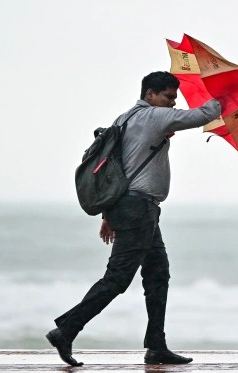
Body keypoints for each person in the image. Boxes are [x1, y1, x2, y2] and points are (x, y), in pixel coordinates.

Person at [46, 71, 221, 366]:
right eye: (168, 96)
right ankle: (66, 330)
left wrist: (108, 213)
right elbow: (203, 115)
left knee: (157, 275)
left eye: (174, 97)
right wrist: (225, 97)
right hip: (138, 210)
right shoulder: (153, 116)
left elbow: (116, 170)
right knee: (117, 278)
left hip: (135, 208)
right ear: (150, 94)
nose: (173, 102)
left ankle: (156, 345)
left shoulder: (124, 118)